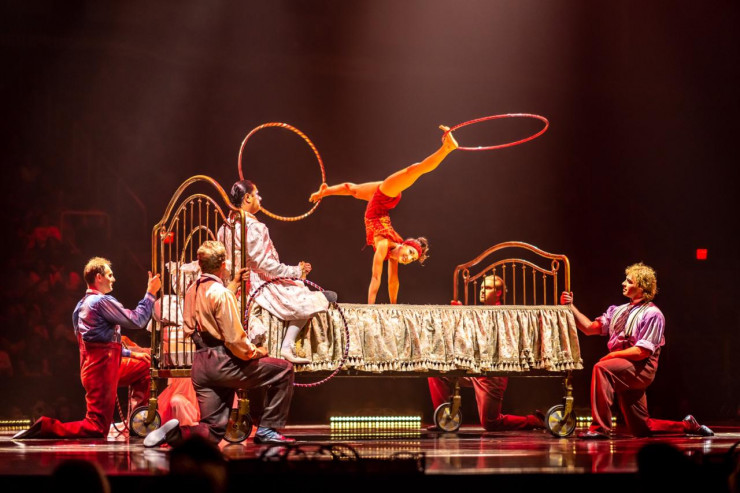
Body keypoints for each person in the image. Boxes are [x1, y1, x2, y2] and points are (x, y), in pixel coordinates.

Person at [144, 240, 296, 447]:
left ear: (200, 265)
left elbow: (209, 308)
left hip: (201, 365)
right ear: (223, 264)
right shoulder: (221, 294)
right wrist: (256, 352)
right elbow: (235, 341)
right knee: (284, 369)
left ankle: (174, 434)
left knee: (214, 430)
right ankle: (268, 429)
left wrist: (233, 285)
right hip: (224, 363)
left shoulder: (192, 289)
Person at [560, 262, 714, 439]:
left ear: (642, 287)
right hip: (623, 367)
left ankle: (599, 428)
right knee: (641, 428)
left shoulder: (653, 314)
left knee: (601, 369)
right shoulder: (618, 311)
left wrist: (612, 355)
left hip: (641, 366)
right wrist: (570, 307)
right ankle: (688, 426)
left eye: (629, 281)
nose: (623, 283)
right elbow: (589, 328)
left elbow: (642, 352)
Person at [13, 257, 161, 439]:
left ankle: (138, 422)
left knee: (145, 366)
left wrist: (131, 354)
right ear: (98, 277)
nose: (113, 279)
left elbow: (100, 342)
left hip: (101, 366)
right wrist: (150, 293)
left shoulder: (80, 306)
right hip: (102, 370)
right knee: (96, 428)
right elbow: (136, 320)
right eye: (110, 275)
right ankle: (46, 427)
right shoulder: (100, 302)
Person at [309, 127, 458, 304]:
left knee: (353, 190)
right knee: (414, 171)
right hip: (384, 198)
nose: (408, 259)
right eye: (411, 253)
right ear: (404, 244)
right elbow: (376, 277)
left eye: (411, 259)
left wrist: (390, 306)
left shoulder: (390, 252)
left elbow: (391, 281)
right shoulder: (385, 244)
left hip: (378, 200)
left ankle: (325, 192)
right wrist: (371, 308)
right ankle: (446, 149)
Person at [218, 180, 336, 364]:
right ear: (247, 198)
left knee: (301, 287)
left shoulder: (225, 227)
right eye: (257, 194)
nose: (260, 198)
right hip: (255, 283)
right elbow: (265, 264)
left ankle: (288, 344)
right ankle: (287, 345)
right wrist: (295, 271)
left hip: (235, 282)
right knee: (307, 298)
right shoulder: (254, 227)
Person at [428, 275, 544, 432]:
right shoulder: (478, 312)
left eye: (488, 288)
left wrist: (463, 314)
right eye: (482, 287)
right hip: (474, 368)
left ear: (499, 293)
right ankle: (444, 419)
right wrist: (459, 314)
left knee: (490, 423)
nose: (482, 290)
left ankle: (533, 421)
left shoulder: (506, 314)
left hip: (492, 373)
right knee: (436, 373)